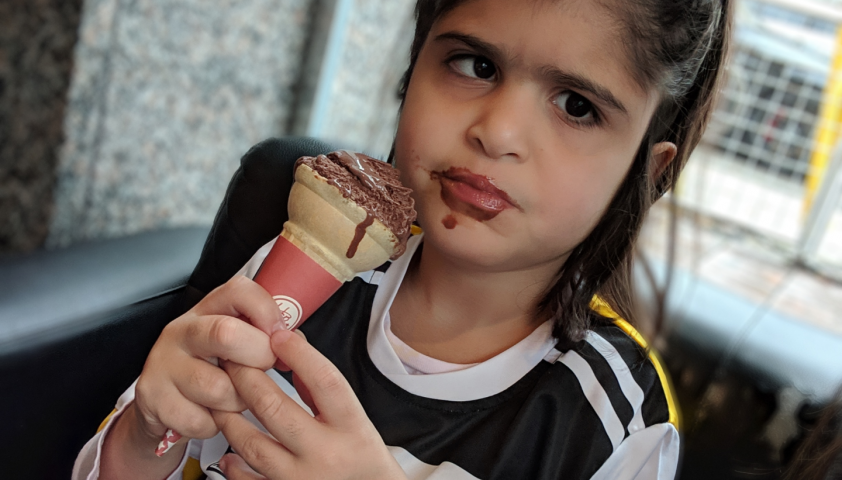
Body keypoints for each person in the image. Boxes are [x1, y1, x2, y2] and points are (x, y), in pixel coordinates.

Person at [73, 0, 731, 478]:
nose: (497, 131)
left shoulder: (611, 426)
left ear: (647, 172)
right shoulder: (302, 278)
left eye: (576, 106)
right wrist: (144, 433)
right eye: (474, 64)